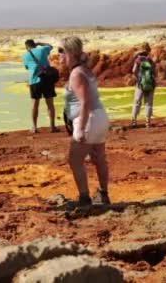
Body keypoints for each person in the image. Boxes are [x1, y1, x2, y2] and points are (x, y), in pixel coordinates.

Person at [61, 36, 111, 206]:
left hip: (88, 119)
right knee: (99, 158)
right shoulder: (86, 70)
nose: (60, 57)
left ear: (70, 53)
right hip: (100, 117)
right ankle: (104, 194)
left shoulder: (76, 73)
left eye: (62, 52)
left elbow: (85, 102)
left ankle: (84, 198)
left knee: (75, 160)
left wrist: (80, 129)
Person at [22, 39, 58, 133]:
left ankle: (34, 127)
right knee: (50, 104)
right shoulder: (42, 50)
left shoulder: (25, 55)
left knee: (34, 104)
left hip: (34, 80)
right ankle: (52, 127)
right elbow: (50, 46)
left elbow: (27, 67)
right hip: (47, 79)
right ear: (35, 45)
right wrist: (40, 44)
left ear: (26, 47)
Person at [130, 43, 156, 128]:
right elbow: (155, 73)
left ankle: (134, 121)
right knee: (148, 103)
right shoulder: (151, 61)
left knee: (137, 102)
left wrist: (138, 78)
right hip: (150, 84)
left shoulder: (138, 60)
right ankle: (148, 122)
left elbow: (133, 70)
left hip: (140, 84)